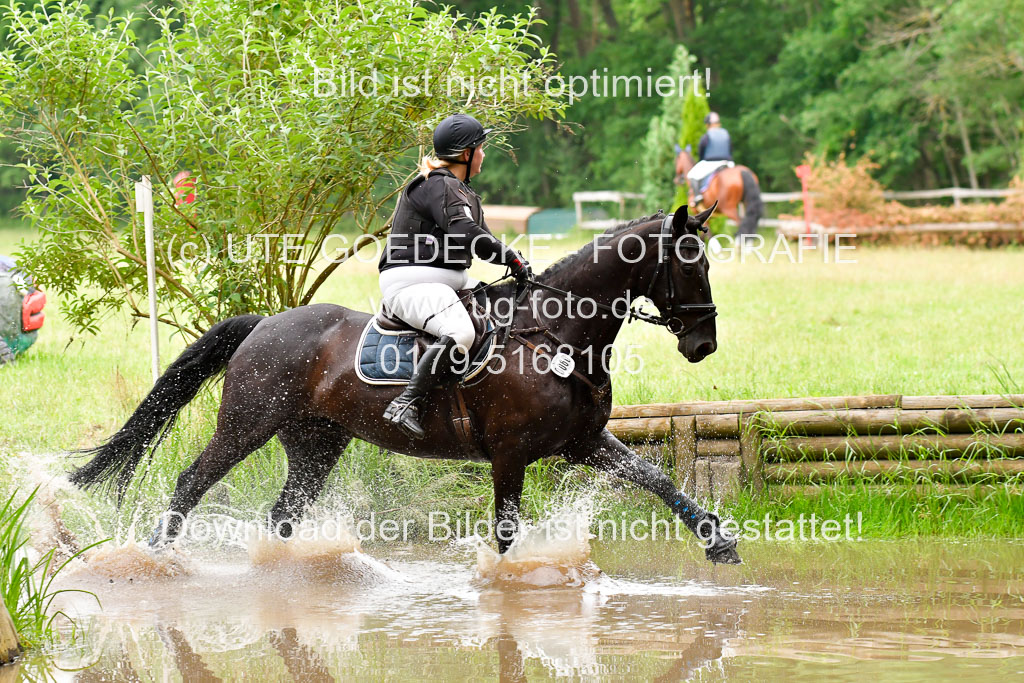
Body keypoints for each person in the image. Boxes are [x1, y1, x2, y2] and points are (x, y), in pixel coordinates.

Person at [378, 113, 532, 439]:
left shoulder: (460, 191)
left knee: (503, 306)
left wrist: (516, 264)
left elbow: (482, 241)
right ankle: (406, 403)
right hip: (411, 281)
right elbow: (466, 233)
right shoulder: (439, 185)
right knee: (460, 332)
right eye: (482, 148)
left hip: (449, 280)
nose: (484, 155)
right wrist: (511, 258)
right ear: (466, 154)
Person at [687, 111, 733, 205]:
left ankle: (697, 196)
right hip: (728, 162)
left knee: (692, 175)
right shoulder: (726, 134)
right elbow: (731, 148)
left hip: (711, 163)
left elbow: (701, 152)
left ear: (708, 125)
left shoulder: (706, 136)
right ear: (719, 123)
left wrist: (701, 161)